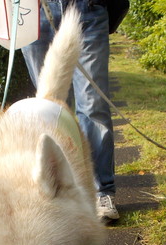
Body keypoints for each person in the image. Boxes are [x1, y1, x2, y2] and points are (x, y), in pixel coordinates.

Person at [21, 0, 119, 223]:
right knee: (48, 109)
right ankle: (56, 194)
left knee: (94, 106)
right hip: (33, 11)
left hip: (87, 8)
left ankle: (102, 192)